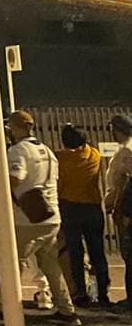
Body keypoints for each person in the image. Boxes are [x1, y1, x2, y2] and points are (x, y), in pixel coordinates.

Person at [6, 110, 79, 324]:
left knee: (12, 262)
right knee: (50, 264)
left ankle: (7, 307)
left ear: (16, 128)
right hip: (52, 215)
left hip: (28, 218)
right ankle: (67, 310)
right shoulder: (47, 151)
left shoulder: (18, 151)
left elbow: (14, 178)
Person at [57, 124, 109, 307]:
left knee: (75, 252)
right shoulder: (95, 154)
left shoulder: (61, 159)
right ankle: (102, 293)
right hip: (93, 207)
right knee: (98, 253)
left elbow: (60, 183)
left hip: (70, 208)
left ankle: (81, 292)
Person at [104, 114, 132, 312]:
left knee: (129, 255)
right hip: (125, 205)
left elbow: (123, 185)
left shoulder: (126, 151)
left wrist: (119, 208)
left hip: (127, 208)